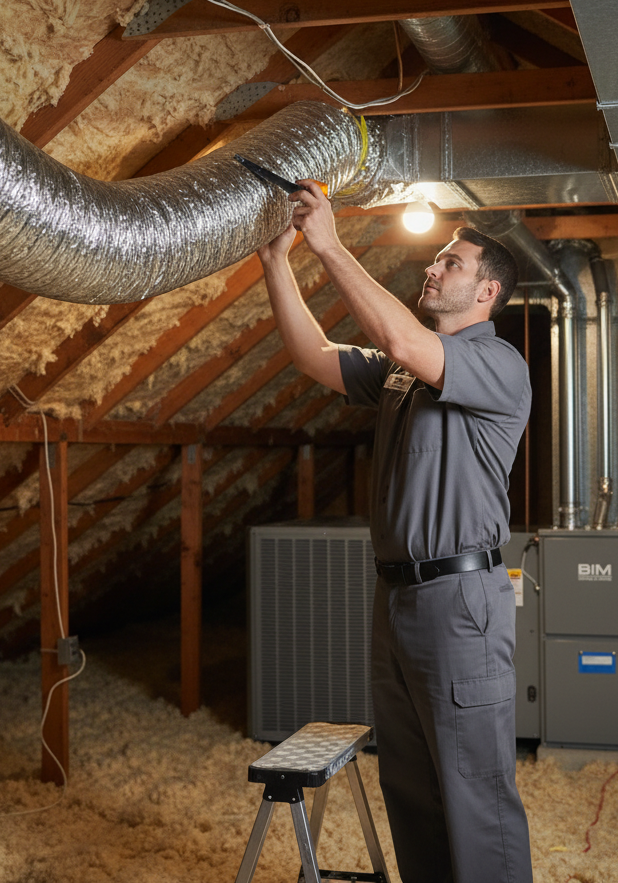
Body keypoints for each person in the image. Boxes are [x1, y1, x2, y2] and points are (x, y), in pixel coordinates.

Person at [256, 179, 533, 883]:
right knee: (410, 787)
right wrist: (276, 263)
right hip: (398, 601)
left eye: (452, 263)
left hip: (459, 605)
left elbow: (399, 337)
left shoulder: (497, 366)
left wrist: (328, 243)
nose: (433, 268)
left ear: (486, 294)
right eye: (437, 258)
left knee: (475, 793)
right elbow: (314, 355)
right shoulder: (403, 377)